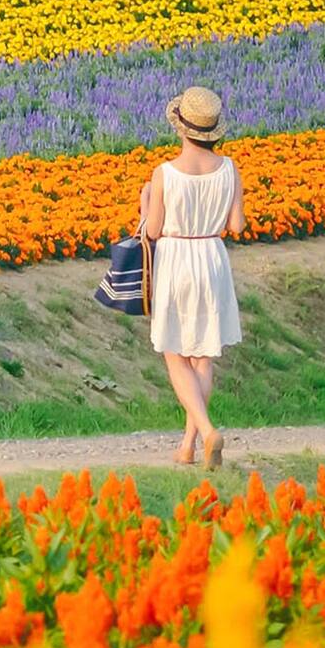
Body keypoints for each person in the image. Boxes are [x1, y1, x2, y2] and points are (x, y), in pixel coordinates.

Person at [140, 85, 244, 469]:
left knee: (174, 352)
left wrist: (146, 199)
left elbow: (152, 231)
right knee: (202, 355)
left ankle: (205, 429)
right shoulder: (229, 169)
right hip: (212, 258)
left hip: (177, 257)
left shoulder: (165, 173)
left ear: (181, 129)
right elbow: (237, 224)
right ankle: (188, 444)